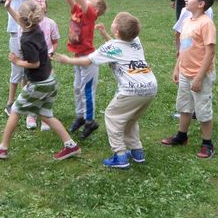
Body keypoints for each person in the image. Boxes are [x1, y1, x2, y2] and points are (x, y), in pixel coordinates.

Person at [55, 12, 157, 169]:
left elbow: (88, 60)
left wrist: (68, 60)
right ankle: (137, 152)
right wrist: (104, 34)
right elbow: (119, 48)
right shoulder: (135, 41)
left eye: (114, 21)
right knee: (131, 119)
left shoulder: (111, 47)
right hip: (150, 87)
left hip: (131, 90)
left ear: (116, 31)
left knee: (112, 116)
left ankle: (120, 156)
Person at [0, 0, 81, 161]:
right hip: (50, 80)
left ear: (24, 21)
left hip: (39, 84)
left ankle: (2, 148)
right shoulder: (36, 27)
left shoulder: (26, 39)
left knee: (15, 110)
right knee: (46, 115)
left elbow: (34, 63)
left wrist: (17, 61)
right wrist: (8, 7)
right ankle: (71, 145)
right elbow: (20, 18)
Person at [3, 0, 65, 116]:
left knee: (27, 69)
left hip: (28, 35)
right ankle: (10, 102)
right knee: (16, 69)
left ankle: (25, 98)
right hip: (17, 36)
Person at [161, 0, 216, 159]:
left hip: (200, 74)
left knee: (202, 109)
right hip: (185, 71)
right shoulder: (187, 21)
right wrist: (177, 67)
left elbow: (210, 52)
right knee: (184, 106)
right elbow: (184, 49)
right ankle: (181, 135)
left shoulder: (206, 23)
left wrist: (199, 77)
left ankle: (207, 143)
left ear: (201, 4)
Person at [54, 0, 107, 140]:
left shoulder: (90, 15)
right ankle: (80, 116)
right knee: (77, 88)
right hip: (77, 57)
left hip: (88, 59)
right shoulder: (77, 11)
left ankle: (90, 121)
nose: (86, 0)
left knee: (87, 91)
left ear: (96, 10)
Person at [24, 0, 60, 131]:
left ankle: (45, 117)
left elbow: (55, 42)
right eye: (35, 0)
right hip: (32, 61)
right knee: (32, 87)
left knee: (46, 88)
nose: (39, 1)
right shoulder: (27, 24)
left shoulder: (51, 23)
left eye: (42, 0)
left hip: (47, 62)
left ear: (46, 7)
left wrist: (51, 52)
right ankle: (31, 114)